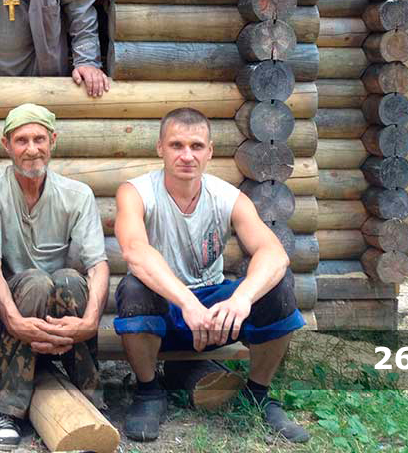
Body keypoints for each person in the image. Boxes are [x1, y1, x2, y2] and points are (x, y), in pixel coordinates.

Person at [113, 107, 309, 444]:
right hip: (167, 311)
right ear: (160, 148)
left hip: (216, 316)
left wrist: (241, 299)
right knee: (134, 287)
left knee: (278, 285)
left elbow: (274, 253)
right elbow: (135, 251)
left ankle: (258, 394)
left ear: (210, 151)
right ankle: (149, 391)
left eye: (196, 146)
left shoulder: (228, 197)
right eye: (176, 145)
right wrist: (187, 303)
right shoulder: (135, 192)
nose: (187, 155)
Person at [0, 104, 110, 448]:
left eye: (39, 139)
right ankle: (8, 409)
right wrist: (14, 319)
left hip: (62, 313)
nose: (31, 149)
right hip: (10, 310)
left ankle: (90, 399)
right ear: (6, 145)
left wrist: (90, 321)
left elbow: (97, 264)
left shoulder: (77, 194)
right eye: (21, 140)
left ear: (53, 141)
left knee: (71, 279)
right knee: (35, 281)